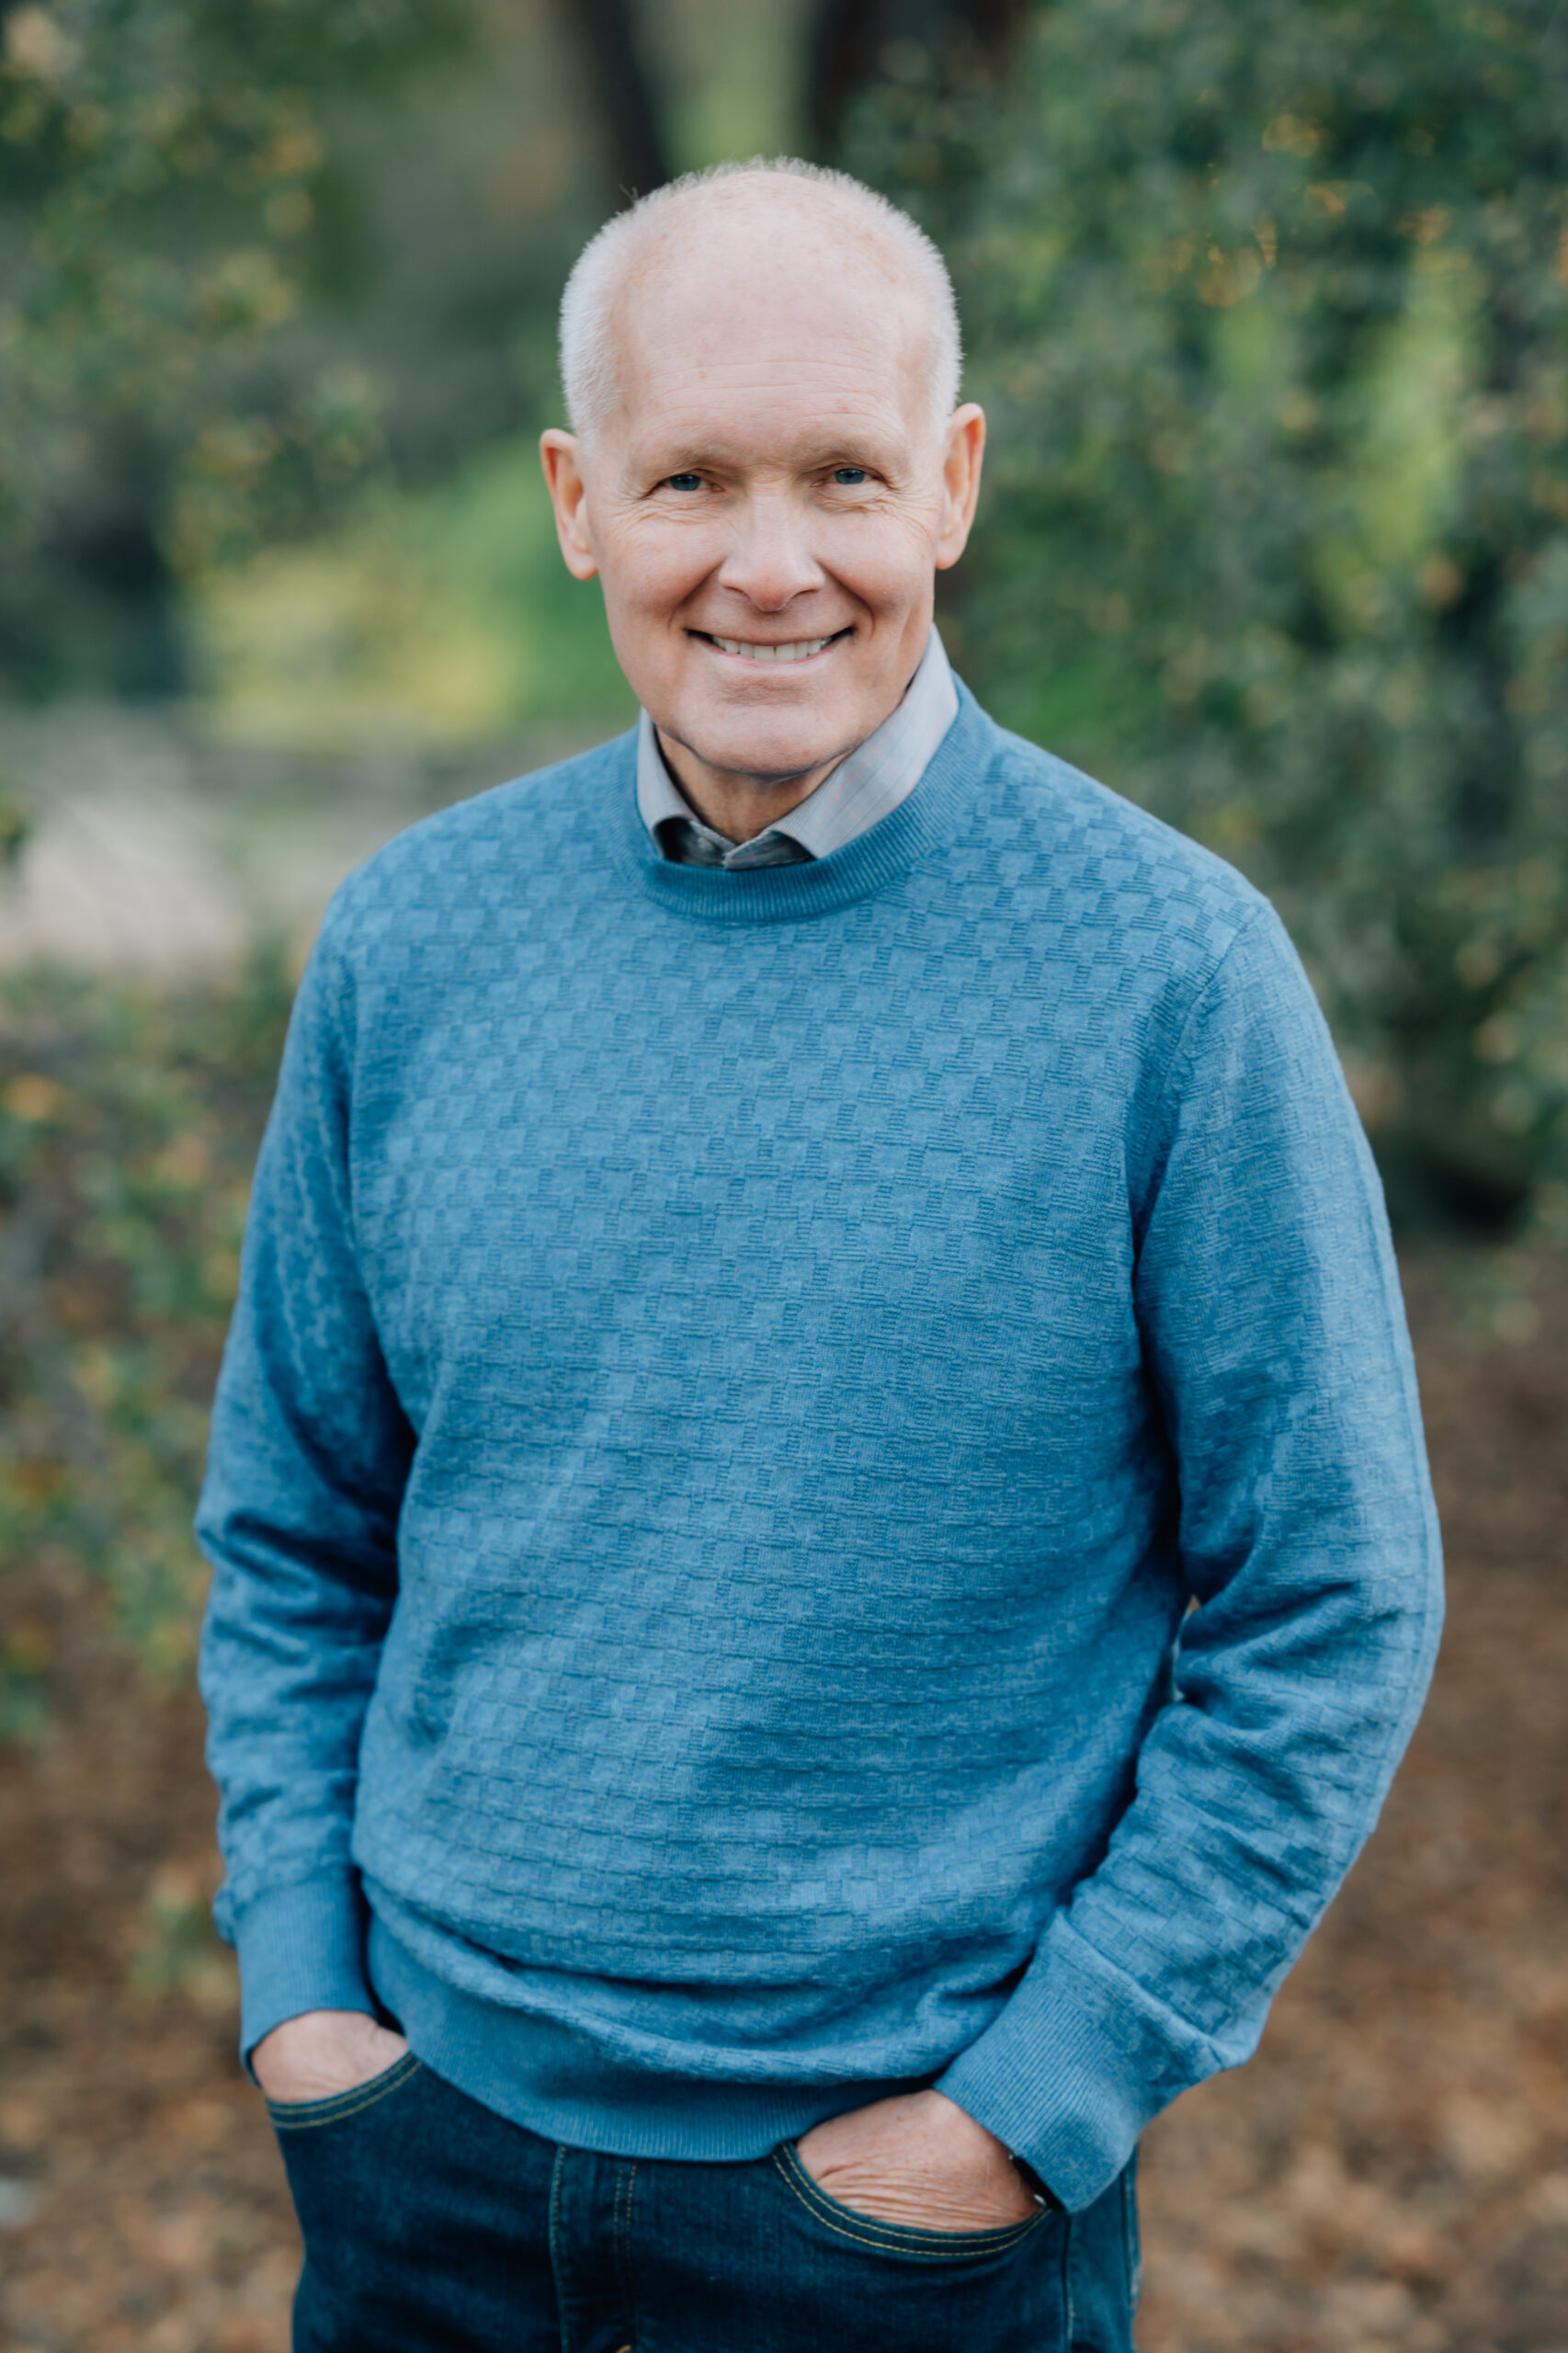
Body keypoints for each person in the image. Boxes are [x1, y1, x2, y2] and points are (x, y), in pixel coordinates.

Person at [198, 158, 1443, 2353]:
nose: (768, 565)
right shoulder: (411, 941)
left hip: (895, 2223)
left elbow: (1332, 1594)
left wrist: (1030, 2101)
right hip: (424, 2170)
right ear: (582, 501)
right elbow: (298, 1520)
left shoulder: (1171, 977)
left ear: (949, 486)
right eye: (690, 478)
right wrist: (304, 1986)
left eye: (842, 475)